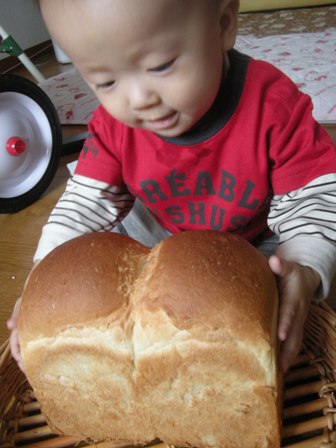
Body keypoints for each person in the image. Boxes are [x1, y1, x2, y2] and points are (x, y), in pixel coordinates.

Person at [8, 0, 336, 373]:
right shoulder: (114, 125)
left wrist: (304, 268)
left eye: (160, 66)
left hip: (256, 243)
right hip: (157, 241)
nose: (138, 99)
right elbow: (86, 201)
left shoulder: (273, 104)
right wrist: (40, 277)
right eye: (106, 82)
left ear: (224, 24)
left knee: (291, 293)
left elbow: (315, 193)